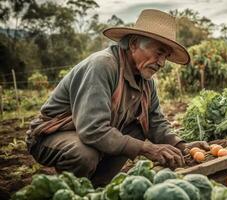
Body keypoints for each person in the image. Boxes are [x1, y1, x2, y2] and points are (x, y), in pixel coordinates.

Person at [26, 9, 209, 187]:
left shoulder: (146, 81)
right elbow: (92, 129)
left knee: (138, 129)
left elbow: (155, 121)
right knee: (84, 154)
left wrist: (182, 146)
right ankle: (71, 190)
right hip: (51, 135)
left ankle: (98, 187)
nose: (162, 63)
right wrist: (147, 148)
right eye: (159, 53)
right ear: (134, 43)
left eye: (166, 57)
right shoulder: (103, 66)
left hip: (90, 134)